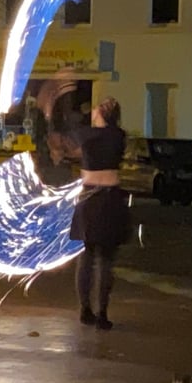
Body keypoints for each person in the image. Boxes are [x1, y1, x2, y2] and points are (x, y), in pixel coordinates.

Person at [67, 97, 128, 331]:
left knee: (87, 256)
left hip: (89, 199)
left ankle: (85, 310)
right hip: (111, 198)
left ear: (102, 113)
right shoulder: (119, 136)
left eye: (96, 107)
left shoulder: (87, 135)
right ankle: (102, 313)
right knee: (106, 260)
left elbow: (70, 131)